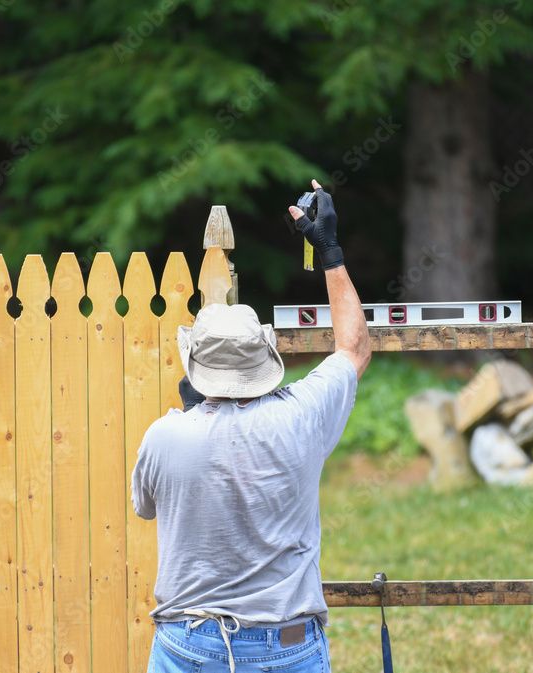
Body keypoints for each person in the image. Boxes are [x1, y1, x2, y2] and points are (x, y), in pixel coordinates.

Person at [131, 179, 371, 673]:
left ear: (195, 369)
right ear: (264, 359)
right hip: (288, 646)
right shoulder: (303, 415)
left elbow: (145, 508)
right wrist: (328, 249)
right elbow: (354, 347)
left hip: (188, 644)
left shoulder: (165, 436)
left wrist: (193, 416)